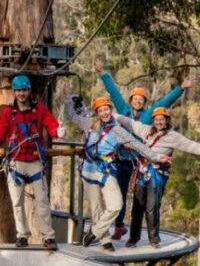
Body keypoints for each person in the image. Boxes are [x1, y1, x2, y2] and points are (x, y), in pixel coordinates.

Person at [94, 59, 194, 240]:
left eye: (141, 100)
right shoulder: (124, 110)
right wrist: (102, 71)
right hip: (122, 160)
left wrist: (181, 88)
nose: (138, 102)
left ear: (144, 102)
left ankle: (142, 233)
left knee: (141, 199)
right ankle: (118, 226)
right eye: (135, 99)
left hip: (140, 162)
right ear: (131, 100)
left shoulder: (149, 115)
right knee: (120, 193)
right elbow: (113, 90)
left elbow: (165, 101)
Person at [65, 95, 171, 251]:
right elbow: (73, 116)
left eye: (106, 110)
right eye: (101, 111)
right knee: (96, 208)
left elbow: (136, 145)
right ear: (97, 112)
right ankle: (105, 241)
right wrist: (68, 102)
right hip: (89, 170)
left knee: (116, 205)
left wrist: (155, 157)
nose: (104, 113)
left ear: (110, 110)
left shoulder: (118, 130)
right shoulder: (90, 123)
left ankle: (94, 232)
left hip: (106, 171)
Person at [116, 107, 200, 248]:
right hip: (142, 171)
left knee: (152, 206)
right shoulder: (146, 130)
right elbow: (129, 122)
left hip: (157, 174)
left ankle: (154, 239)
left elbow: (192, 146)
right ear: (153, 121)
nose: (159, 122)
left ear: (167, 120)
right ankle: (134, 237)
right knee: (137, 207)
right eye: (157, 120)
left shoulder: (173, 137)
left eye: (162, 120)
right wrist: (111, 115)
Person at [0, 75, 66, 250]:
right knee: (16, 202)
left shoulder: (39, 110)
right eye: (18, 90)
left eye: (24, 90)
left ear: (29, 91)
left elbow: (51, 124)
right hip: (16, 162)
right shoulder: (9, 113)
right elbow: (0, 132)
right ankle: (22, 234)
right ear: (14, 92)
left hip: (34, 162)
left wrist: (58, 131)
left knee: (42, 200)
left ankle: (48, 236)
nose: (21, 94)